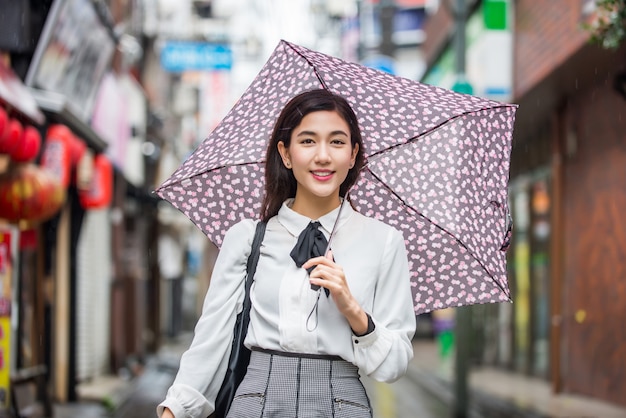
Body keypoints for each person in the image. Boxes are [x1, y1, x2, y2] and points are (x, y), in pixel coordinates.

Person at [157, 89, 416, 418]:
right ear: (286, 153)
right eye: (307, 141)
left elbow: (394, 364)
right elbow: (212, 340)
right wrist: (175, 410)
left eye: (337, 142)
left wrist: (353, 310)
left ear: (353, 155)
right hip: (256, 400)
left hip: (342, 404)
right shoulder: (247, 239)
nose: (322, 156)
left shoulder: (383, 241)